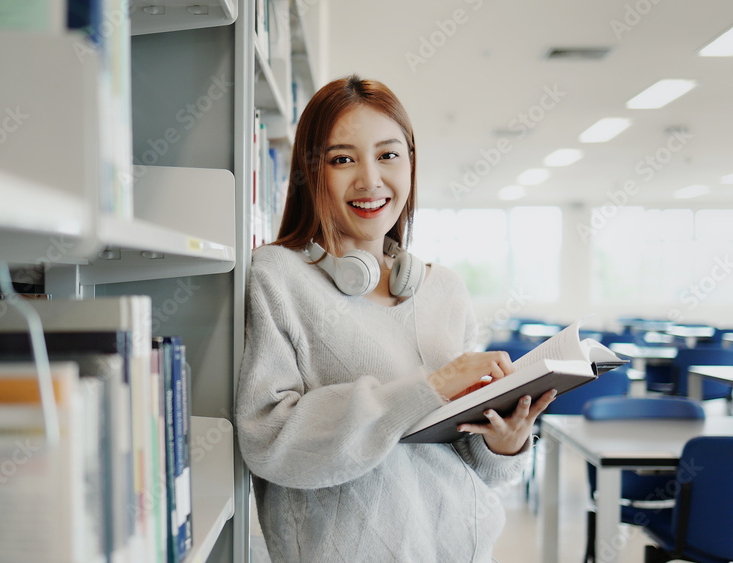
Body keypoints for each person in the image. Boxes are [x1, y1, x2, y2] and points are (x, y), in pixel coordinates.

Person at [235, 75, 556, 562]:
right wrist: (431, 386)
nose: (370, 180)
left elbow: (478, 462)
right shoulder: (278, 277)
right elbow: (269, 441)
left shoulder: (443, 287)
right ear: (311, 171)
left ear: (410, 163)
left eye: (388, 155)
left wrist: (506, 444)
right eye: (343, 159)